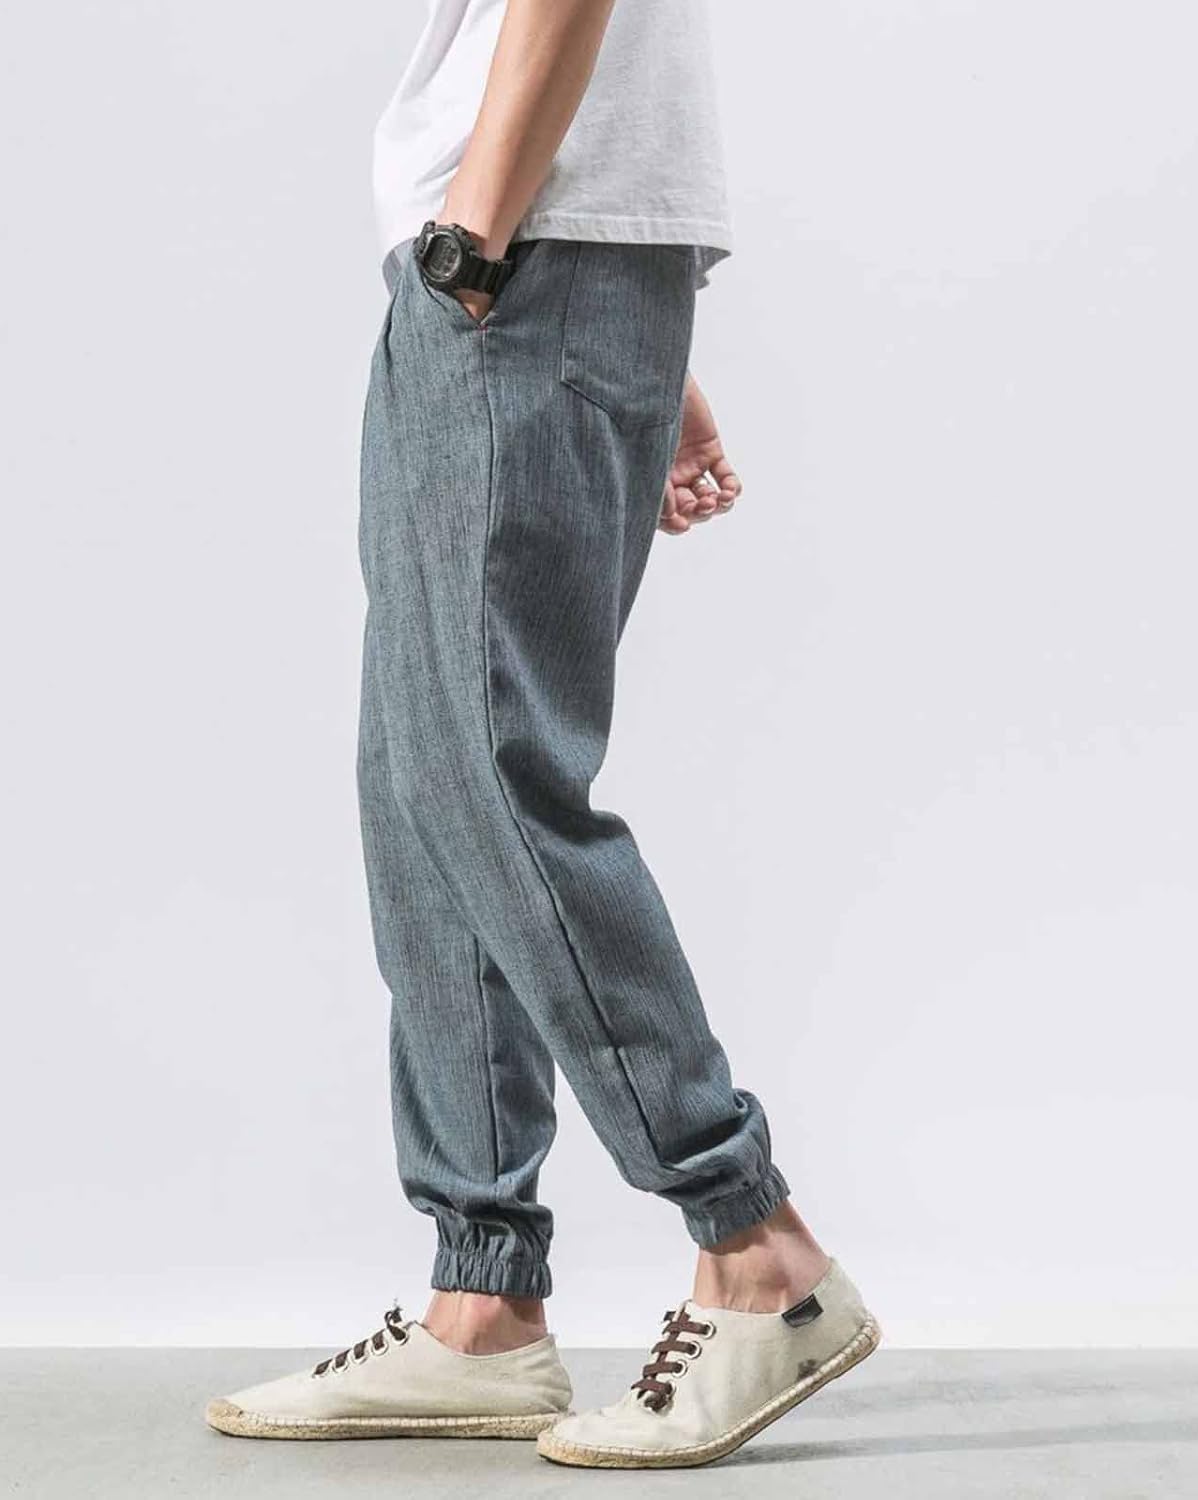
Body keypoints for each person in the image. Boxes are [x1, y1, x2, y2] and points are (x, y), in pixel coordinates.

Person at [206, 0, 879, 1470]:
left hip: (512, 258)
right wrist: (617, 334)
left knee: (487, 771)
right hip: (528, 264)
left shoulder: (493, 247)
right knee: (421, 783)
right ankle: (483, 1303)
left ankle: (756, 1246)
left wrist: (481, 240)